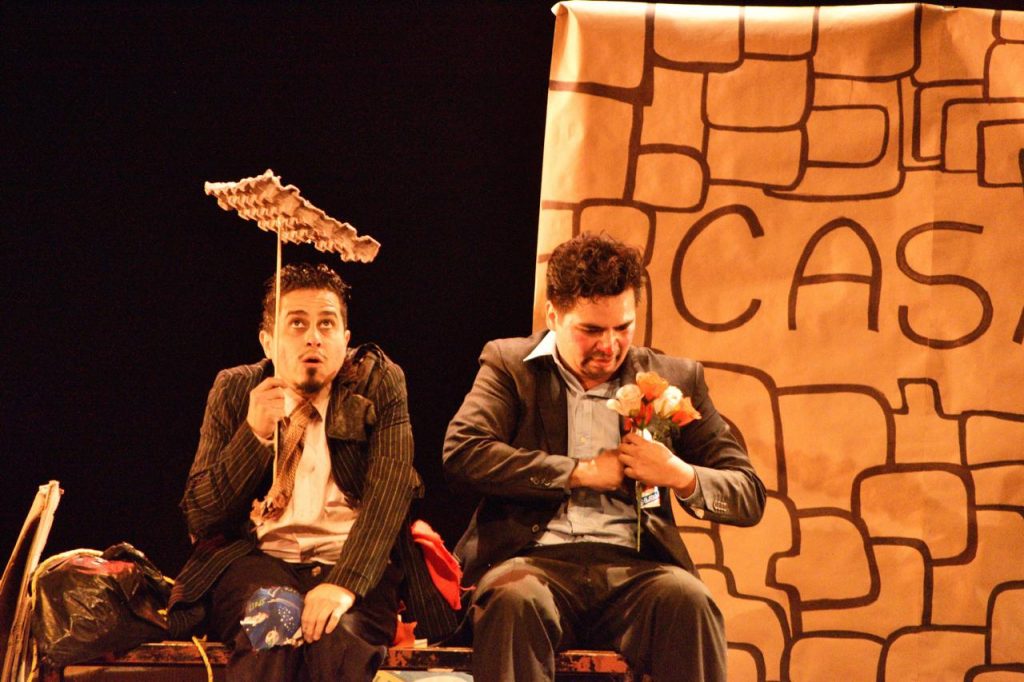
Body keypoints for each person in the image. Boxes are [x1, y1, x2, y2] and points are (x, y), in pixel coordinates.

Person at [443, 233, 766, 681]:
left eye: (623, 328)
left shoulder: (672, 378)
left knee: (689, 601)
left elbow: (747, 493)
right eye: (591, 330)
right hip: (534, 562)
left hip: (638, 569)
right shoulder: (511, 365)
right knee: (515, 599)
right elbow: (464, 452)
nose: (610, 346)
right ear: (553, 316)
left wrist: (678, 473)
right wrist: (579, 473)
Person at [167, 263, 454, 681]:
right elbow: (201, 515)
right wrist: (254, 434)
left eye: (326, 324)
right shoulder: (234, 388)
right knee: (275, 624)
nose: (313, 337)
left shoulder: (378, 383)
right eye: (297, 324)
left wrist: (344, 584)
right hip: (260, 564)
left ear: (346, 340)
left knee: (336, 639)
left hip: (351, 564)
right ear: (268, 342)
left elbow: (389, 494)